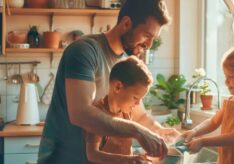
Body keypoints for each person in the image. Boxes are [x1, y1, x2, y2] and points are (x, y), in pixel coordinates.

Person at [38, 0, 180, 163]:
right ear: (126, 23)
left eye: (153, 38)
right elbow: (80, 113)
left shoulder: (128, 62)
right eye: (147, 35)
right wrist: (138, 131)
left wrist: (159, 132)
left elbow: (138, 114)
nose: (149, 44)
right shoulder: (84, 51)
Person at [182, 42, 234, 164]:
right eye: (226, 76)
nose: (226, 82)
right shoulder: (231, 100)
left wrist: (203, 142)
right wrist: (195, 131)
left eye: (231, 77)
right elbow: (213, 122)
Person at [85, 56, 153, 164]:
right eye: (135, 98)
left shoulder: (126, 111)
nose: (138, 103)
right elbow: (92, 154)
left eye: (140, 99)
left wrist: (136, 158)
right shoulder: (98, 114)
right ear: (117, 87)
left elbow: (125, 150)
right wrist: (127, 160)